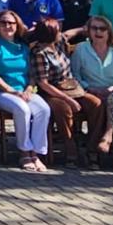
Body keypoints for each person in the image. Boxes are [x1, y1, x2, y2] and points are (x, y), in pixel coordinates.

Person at [69, 15, 113, 172]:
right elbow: (75, 75)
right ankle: (99, 151)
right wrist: (89, 88)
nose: (98, 32)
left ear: (109, 32)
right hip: (89, 91)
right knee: (100, 104)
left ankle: (111, 140)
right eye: (94, 28)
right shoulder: (81, 49)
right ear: (89, 31)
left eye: (102, 29)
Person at [30, 18, 102, 167]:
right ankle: (70, 149)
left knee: (96, 104)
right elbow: (43, 83)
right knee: (63, 108)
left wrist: (83, 28)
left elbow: (68, 34)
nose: (60, 32)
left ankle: (92, 148)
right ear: (50, 34)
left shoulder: (59, 43)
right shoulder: (39, 53)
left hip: (72, 88)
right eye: (57, 30)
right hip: (51, 91)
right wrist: (69, 100)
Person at [0, 10, 51, 173]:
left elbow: (32, 74)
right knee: (22, 109)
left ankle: (35, 153)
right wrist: (11, 91)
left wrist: (29, 89)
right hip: (0, 92)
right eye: (3, 23)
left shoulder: (24, 47)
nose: (7, 26)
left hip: (24, 91)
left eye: (11, 23)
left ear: (17, 26)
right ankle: (24, 152)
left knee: (43, 109)